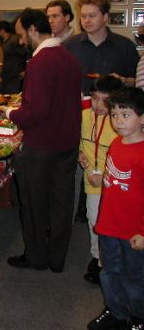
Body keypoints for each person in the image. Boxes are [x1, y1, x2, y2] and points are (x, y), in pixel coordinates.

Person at [6, 8, 82, 273]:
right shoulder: (68, 57)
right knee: (62, 203)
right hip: (67, 142)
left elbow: (35, 111)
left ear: (32, 30)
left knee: (35, 203)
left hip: (42, 145)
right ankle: (57, 257)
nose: (21, 41)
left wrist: (10, 113)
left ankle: (37, 256)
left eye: (22, 34)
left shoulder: (40, 62)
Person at [87, 87, 144, 330]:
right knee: (109, 273)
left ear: (142, 118)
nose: (118, 121)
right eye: (114, 115)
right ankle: (116, 311)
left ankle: (138, 317)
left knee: (135, 279)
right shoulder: (117, 144)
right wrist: (102, 180)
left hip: (133, 231)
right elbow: (118, 181)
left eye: (125, 115)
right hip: (109, 225)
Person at [78, 75, 123, 285]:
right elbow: (77, 141)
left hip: (115, 185)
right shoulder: (84, 116)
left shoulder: (120, 124)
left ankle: (113, 261)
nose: (98, 105)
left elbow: (125, 160)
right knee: (94, 219)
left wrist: (105, 176)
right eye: (95, 98)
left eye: (105, 101)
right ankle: (97, 258)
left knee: (117, 223)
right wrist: (80, 154)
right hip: (92, 182)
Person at [64, 0, 140, 94]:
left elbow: (136, 82)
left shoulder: (125, 46)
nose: (86, 20)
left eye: (92, 16)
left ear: (105, 17)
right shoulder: (69, 45)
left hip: (113, 108)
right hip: (78, 107)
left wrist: (123, 81)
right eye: (83, 16)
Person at [0, 20, 27, 94]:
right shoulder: (1, 41)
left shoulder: (15, 40)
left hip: (15, 76)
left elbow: (25, 53)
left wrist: (25, 70)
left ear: (2, 30)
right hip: (4, 76)